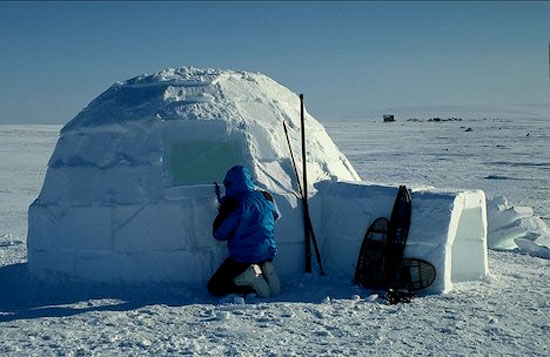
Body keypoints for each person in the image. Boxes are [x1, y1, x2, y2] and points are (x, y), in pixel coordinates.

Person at [207, 165, 281, 298]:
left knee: (214, 287)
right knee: (259, 260)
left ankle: (252, 281)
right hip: (268, 253)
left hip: (244, 258)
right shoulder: (265, 197)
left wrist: (222, 212)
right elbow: (275, 216)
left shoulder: (234, 204)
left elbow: (219, 234)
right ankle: (267, 274)